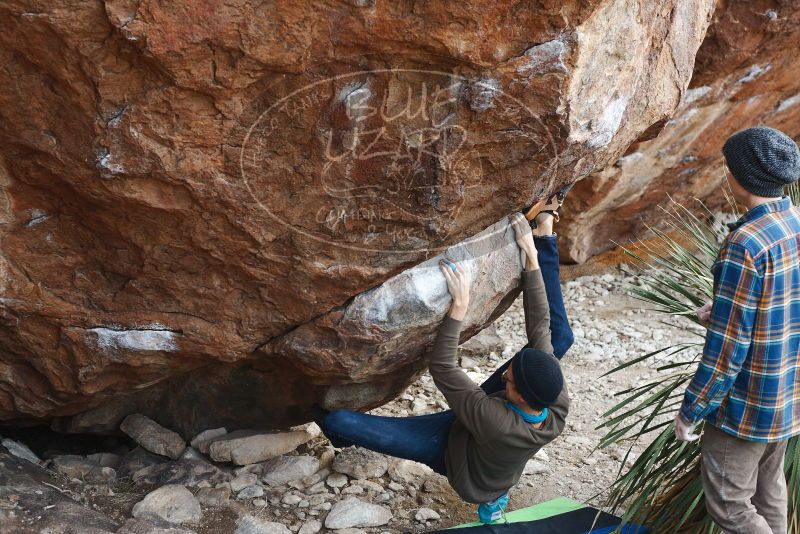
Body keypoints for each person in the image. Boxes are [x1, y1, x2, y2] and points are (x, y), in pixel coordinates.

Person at [317, 205, 573, 523]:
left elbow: (444, 368)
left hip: (452, 451)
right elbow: (540, 329)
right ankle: (544, 231)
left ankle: (493, 498)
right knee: (557, 340)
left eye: (510, 376)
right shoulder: (554, 399)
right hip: (487, 423)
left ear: (519, 394)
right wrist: (532, 259)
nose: (505, 371)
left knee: (339, 423)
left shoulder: (495, 420)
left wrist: (459, 307)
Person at [674, 126, 800, 534]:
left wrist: (693, 408)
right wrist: (727, 305)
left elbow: (728, 351)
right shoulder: (794, 225)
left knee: (731, 505)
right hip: (787, 395)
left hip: (746, 407)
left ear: (738, 176)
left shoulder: (746, 244)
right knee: (770, 491)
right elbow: (784, 297)